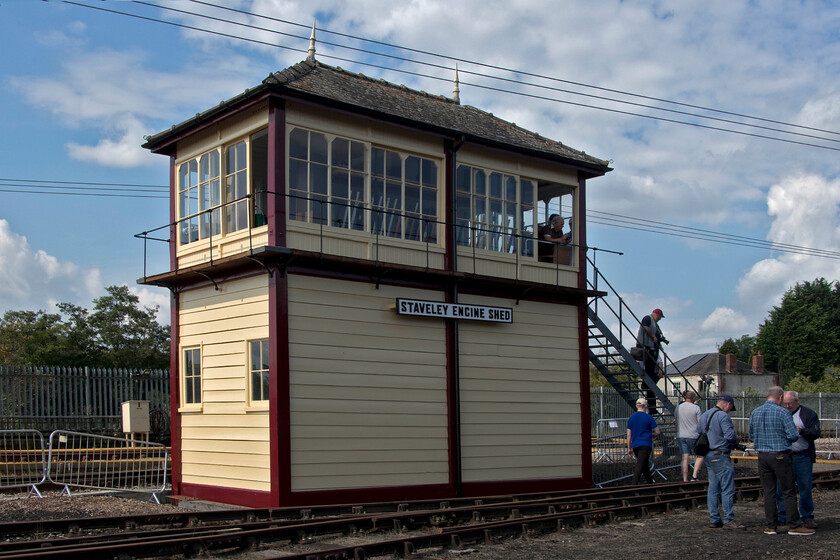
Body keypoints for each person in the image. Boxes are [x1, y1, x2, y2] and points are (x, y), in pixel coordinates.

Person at [749, 386, 815, 536]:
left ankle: (771, 526)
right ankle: (794, 525)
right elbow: (792, 435)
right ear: (779, 397)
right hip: (779, 455)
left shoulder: (755, 412)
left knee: (769, 492)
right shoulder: (783, 412)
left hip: (762, 456)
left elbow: (752, 435)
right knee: (788, 490)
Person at [776, 390, 820, 529]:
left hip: (802, 456)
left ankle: (807, 516)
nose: (787, 406)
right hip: (785, 455)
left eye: (790, 403)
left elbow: (816, 433)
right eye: (785, 403)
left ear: (796, 401)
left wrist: (801, 431)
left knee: (805, 487)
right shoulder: (781, 413)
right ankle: (783, 515)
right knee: (782, 488)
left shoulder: (808, 414)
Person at [699, 394, 745, 530]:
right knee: (727, 488)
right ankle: (729, 519)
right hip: (720, 454)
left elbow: (699, 431)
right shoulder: (723, 416)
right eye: (731, 408)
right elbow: (729, 435)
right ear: (729, 405)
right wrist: (737, 437)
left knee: (713, 488)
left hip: (708, 454)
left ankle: (714, 518)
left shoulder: (705, 414)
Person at [636, 309, 667, 412]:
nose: (659, 319)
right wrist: (653, 336)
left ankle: (646, 383)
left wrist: (659, 344)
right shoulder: (648, 318)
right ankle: (646, 383)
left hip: (650, 348)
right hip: (646, 347)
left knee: (650, 382)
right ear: (656, 314)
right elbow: (645, 328)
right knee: (649, 373)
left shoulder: (654, 324)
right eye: (659, 317)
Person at [627, 396, 661, 484]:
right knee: (640, 465)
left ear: (636, 406)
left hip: (635, 444)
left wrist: (629, 448)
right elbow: (657, 432)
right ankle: (634, 484)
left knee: (644, 464)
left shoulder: (631, 418)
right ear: (645, 406)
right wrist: (651, 435)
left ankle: (650, 483)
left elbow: (628, 435)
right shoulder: (649, 418)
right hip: (645, 443)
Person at [676, 390, 704, 482]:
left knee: (685, 458)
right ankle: (694, 475)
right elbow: (700, 422)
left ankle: (685, 479)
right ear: (693, 398)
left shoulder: (678, 407)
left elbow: (676, 422)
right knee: (700, 455)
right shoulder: (696, 408)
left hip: (681, 435)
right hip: (693, 435)